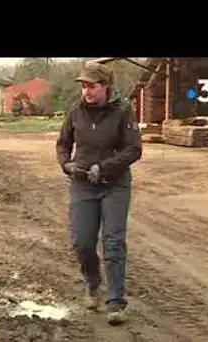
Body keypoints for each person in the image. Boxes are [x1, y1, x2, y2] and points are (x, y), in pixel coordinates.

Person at [55, 62, 142, 325]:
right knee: (82, 242)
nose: (86, 91)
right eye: (83, 86)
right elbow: (63, 144)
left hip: (114, 185)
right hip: (82, 185)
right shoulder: (75, 112)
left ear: (105, 86)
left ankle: (116, 301)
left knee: (113, 242)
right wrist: (67, 164)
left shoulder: (123, 111)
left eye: (91, 86)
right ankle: (92, 281)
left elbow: (134, 149)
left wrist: (103, 167)